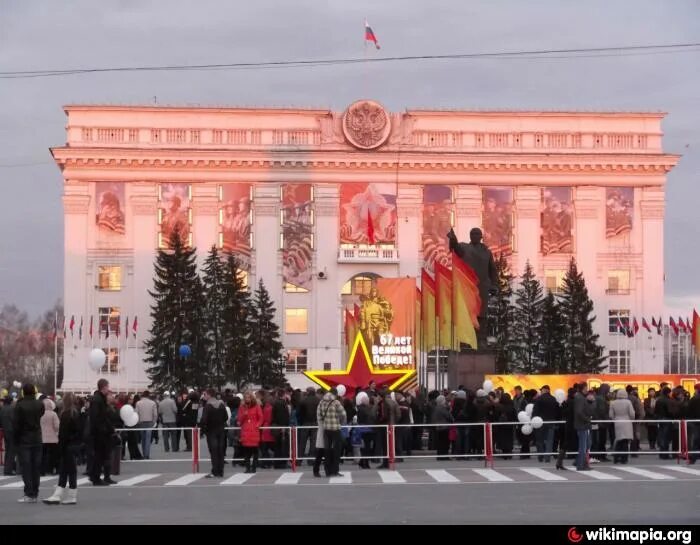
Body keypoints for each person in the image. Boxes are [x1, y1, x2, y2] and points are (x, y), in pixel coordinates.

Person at [43, 392, 82, 505]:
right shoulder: (76, 413)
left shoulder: (65, 414)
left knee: (68, 470)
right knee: (66, 470)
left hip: (66, 445)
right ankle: (61, 494)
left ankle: (65, 495)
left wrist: (60, 446)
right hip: (74, 445)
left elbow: (63, 433)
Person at [13, 383, 45, 503]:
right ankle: (35, 492)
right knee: (35, 467)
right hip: (37, 437)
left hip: (24, 439)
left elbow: (16, 425)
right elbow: (41, 414)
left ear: (23, 392)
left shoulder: (20, 405)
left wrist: (16, 440)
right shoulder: (39, 404)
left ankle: (29, 492)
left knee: (26, 467)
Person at [89, 378, 117, 486]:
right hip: (100, 433)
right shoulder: (97, 400)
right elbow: (97, 418)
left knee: (103, 455)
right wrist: (104, 429)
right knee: (100, 456)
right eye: (107, 387)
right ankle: (96, 478)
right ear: (104, 387)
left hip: (102, 431)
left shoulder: (99, 399)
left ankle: (103, 476)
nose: (108, 389)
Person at [317, 389, 347, 477]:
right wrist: (340, 422)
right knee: (337, 450)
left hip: (326, 429)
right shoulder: (336, 402)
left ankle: (327, 471)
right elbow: (343, 414)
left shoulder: (322, 402)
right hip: (335, 428)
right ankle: (335, 470)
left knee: (327, 450)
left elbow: (319, 415)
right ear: (335, 394)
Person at [200, 389, 228, 478]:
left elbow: (204, 419)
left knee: (213, 451)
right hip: (221, 429)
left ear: (209, 395)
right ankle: (221, 471)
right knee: (221, 450)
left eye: (205, 395)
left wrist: (202, 429)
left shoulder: (208, 406)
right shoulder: (221, 404)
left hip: (211, 430)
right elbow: (226, 417)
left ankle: (215, 471)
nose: (204, 397)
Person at [532, 385, 560, 463]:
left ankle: (540, 456)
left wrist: (533, 420)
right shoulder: (553, 399)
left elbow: (535, 411)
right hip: (551, 421)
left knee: (539, 440)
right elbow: (557, 411)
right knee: (549, 440)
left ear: (545, 390)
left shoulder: (539, 399)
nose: (541, 391)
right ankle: (547, 457)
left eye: (541, 390)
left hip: (540, 422)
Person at [237, 392, 263, 473]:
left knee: (255, 451)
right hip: (245, 431)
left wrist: (257, 425)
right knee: (246, 451)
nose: (247, 399)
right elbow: (239, 421)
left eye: (248, 398)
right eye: (246, 398)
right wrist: (244, 415)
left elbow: (261, 417)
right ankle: (247, 468)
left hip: (254, 431)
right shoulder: (241, 407)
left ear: (252, 398)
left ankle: (254, 467)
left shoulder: (256, 406)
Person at [573, 382, 596, 471]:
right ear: (583, 388)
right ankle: (581, 464)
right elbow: (579, 411)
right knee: (583, 446)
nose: (587, 390)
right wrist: (587, 419)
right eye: (586, 388)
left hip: (583, 424)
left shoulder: (581, 397)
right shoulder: (580, 398)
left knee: (586, 445)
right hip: (582, 424)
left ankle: (581, 462)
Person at [609, 389, 635, 464]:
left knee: (618, 440)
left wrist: (615, 419)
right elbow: (632, 413)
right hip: (626, 422)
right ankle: (624, 458)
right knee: (625, 441)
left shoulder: (613, 403)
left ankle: (616, 458)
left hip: (617, 422)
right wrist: (632, 419)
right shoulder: (628, 402)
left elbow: (611, 415)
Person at [297, 387, 320, 465]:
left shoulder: (303, 400)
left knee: (302, 442)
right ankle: (311, 460)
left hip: (305, 423)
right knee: (313, 442)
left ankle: (299, 459)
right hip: (315, 423)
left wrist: (301, 421)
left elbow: (299, 413)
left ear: (308, 392)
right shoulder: (318, 400)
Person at [40, 398, 60, 476]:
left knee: (43, 455)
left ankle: (42, 471)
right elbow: (57, 426)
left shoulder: (40, 414)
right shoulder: (53, 414)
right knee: (54, 455)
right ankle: (53, 469)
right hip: (53, 438)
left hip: (42, 438)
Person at [135, 390, 157, 460]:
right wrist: (154, 422)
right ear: (148, 395)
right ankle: (147, 454)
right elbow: (155, 414)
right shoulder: (152, 403)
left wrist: (138, 421)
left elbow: (136, 413)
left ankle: (144, 453)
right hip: (149, 422)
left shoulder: (138, 403)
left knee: (143, 439)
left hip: (141, 422)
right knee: (148, 439)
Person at [1, 394, 18, 475]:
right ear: (11, 401)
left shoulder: (2, 409)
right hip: (12, 431)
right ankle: (9, 469)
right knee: (11, 451)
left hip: (5, 430)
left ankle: (6, 469)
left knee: (7, 450)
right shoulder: (12, 409)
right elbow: (14, 420)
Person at [432, 395, 453, 459]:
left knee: (440, 442)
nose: (445, 401)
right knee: (445, 443)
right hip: (444, 427)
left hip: (438, 427)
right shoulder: (442, 408)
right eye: (444, 400)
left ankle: (440, 455)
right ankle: (444, 456)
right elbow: (448, 416)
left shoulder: (436, 408)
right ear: (442, 401)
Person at [687, 384, 700, 465]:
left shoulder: (693, 399)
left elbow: (689, 410)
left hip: (696, 421)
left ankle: (693, 458)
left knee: (696, 440)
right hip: (696, 421)